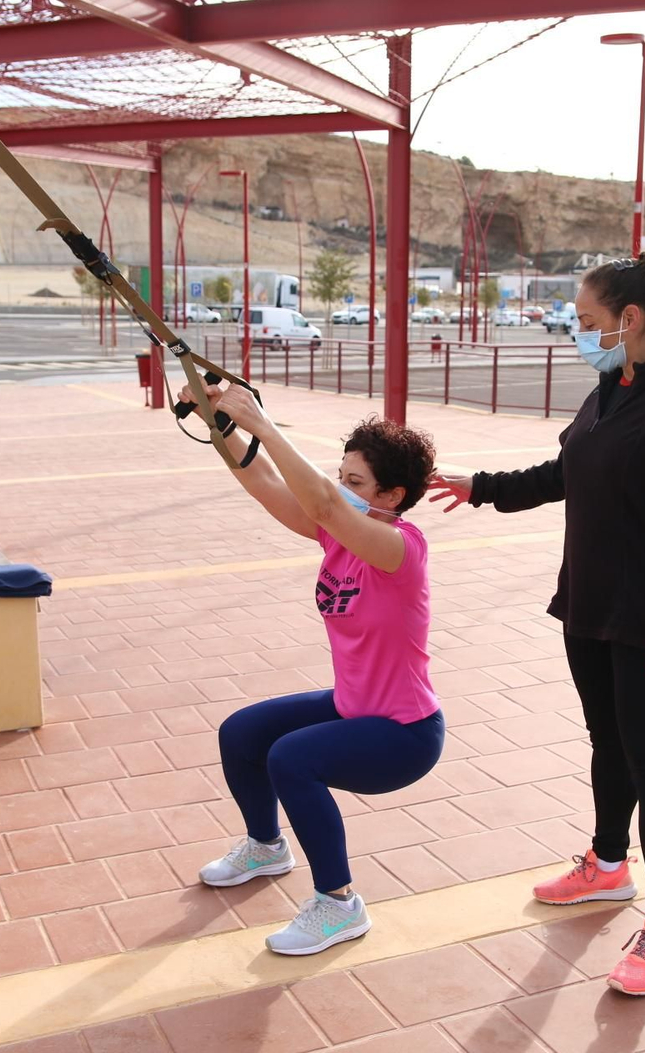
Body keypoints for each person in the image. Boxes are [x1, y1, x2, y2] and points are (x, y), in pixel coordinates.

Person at [427, 244, 645, 996]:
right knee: (608, 743)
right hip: (589, 609)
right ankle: (605, 864)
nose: (579, 331)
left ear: (629, 320)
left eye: (587, 320)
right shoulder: (608, 392)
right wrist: (482, 487)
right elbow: (565, 474)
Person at [178, 381, 444, 956]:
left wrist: (265, 426)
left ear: (392, 496)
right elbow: (264, 482)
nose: (338, 489)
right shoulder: (336, 536)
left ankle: (339, 904)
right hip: (353, 708)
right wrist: (218, 421)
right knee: (242, 732)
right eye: (340, 476)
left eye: (355, 483)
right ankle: (266, 845)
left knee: (290, 759)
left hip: (404, 734)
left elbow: (321, 500)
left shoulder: (401, 551)